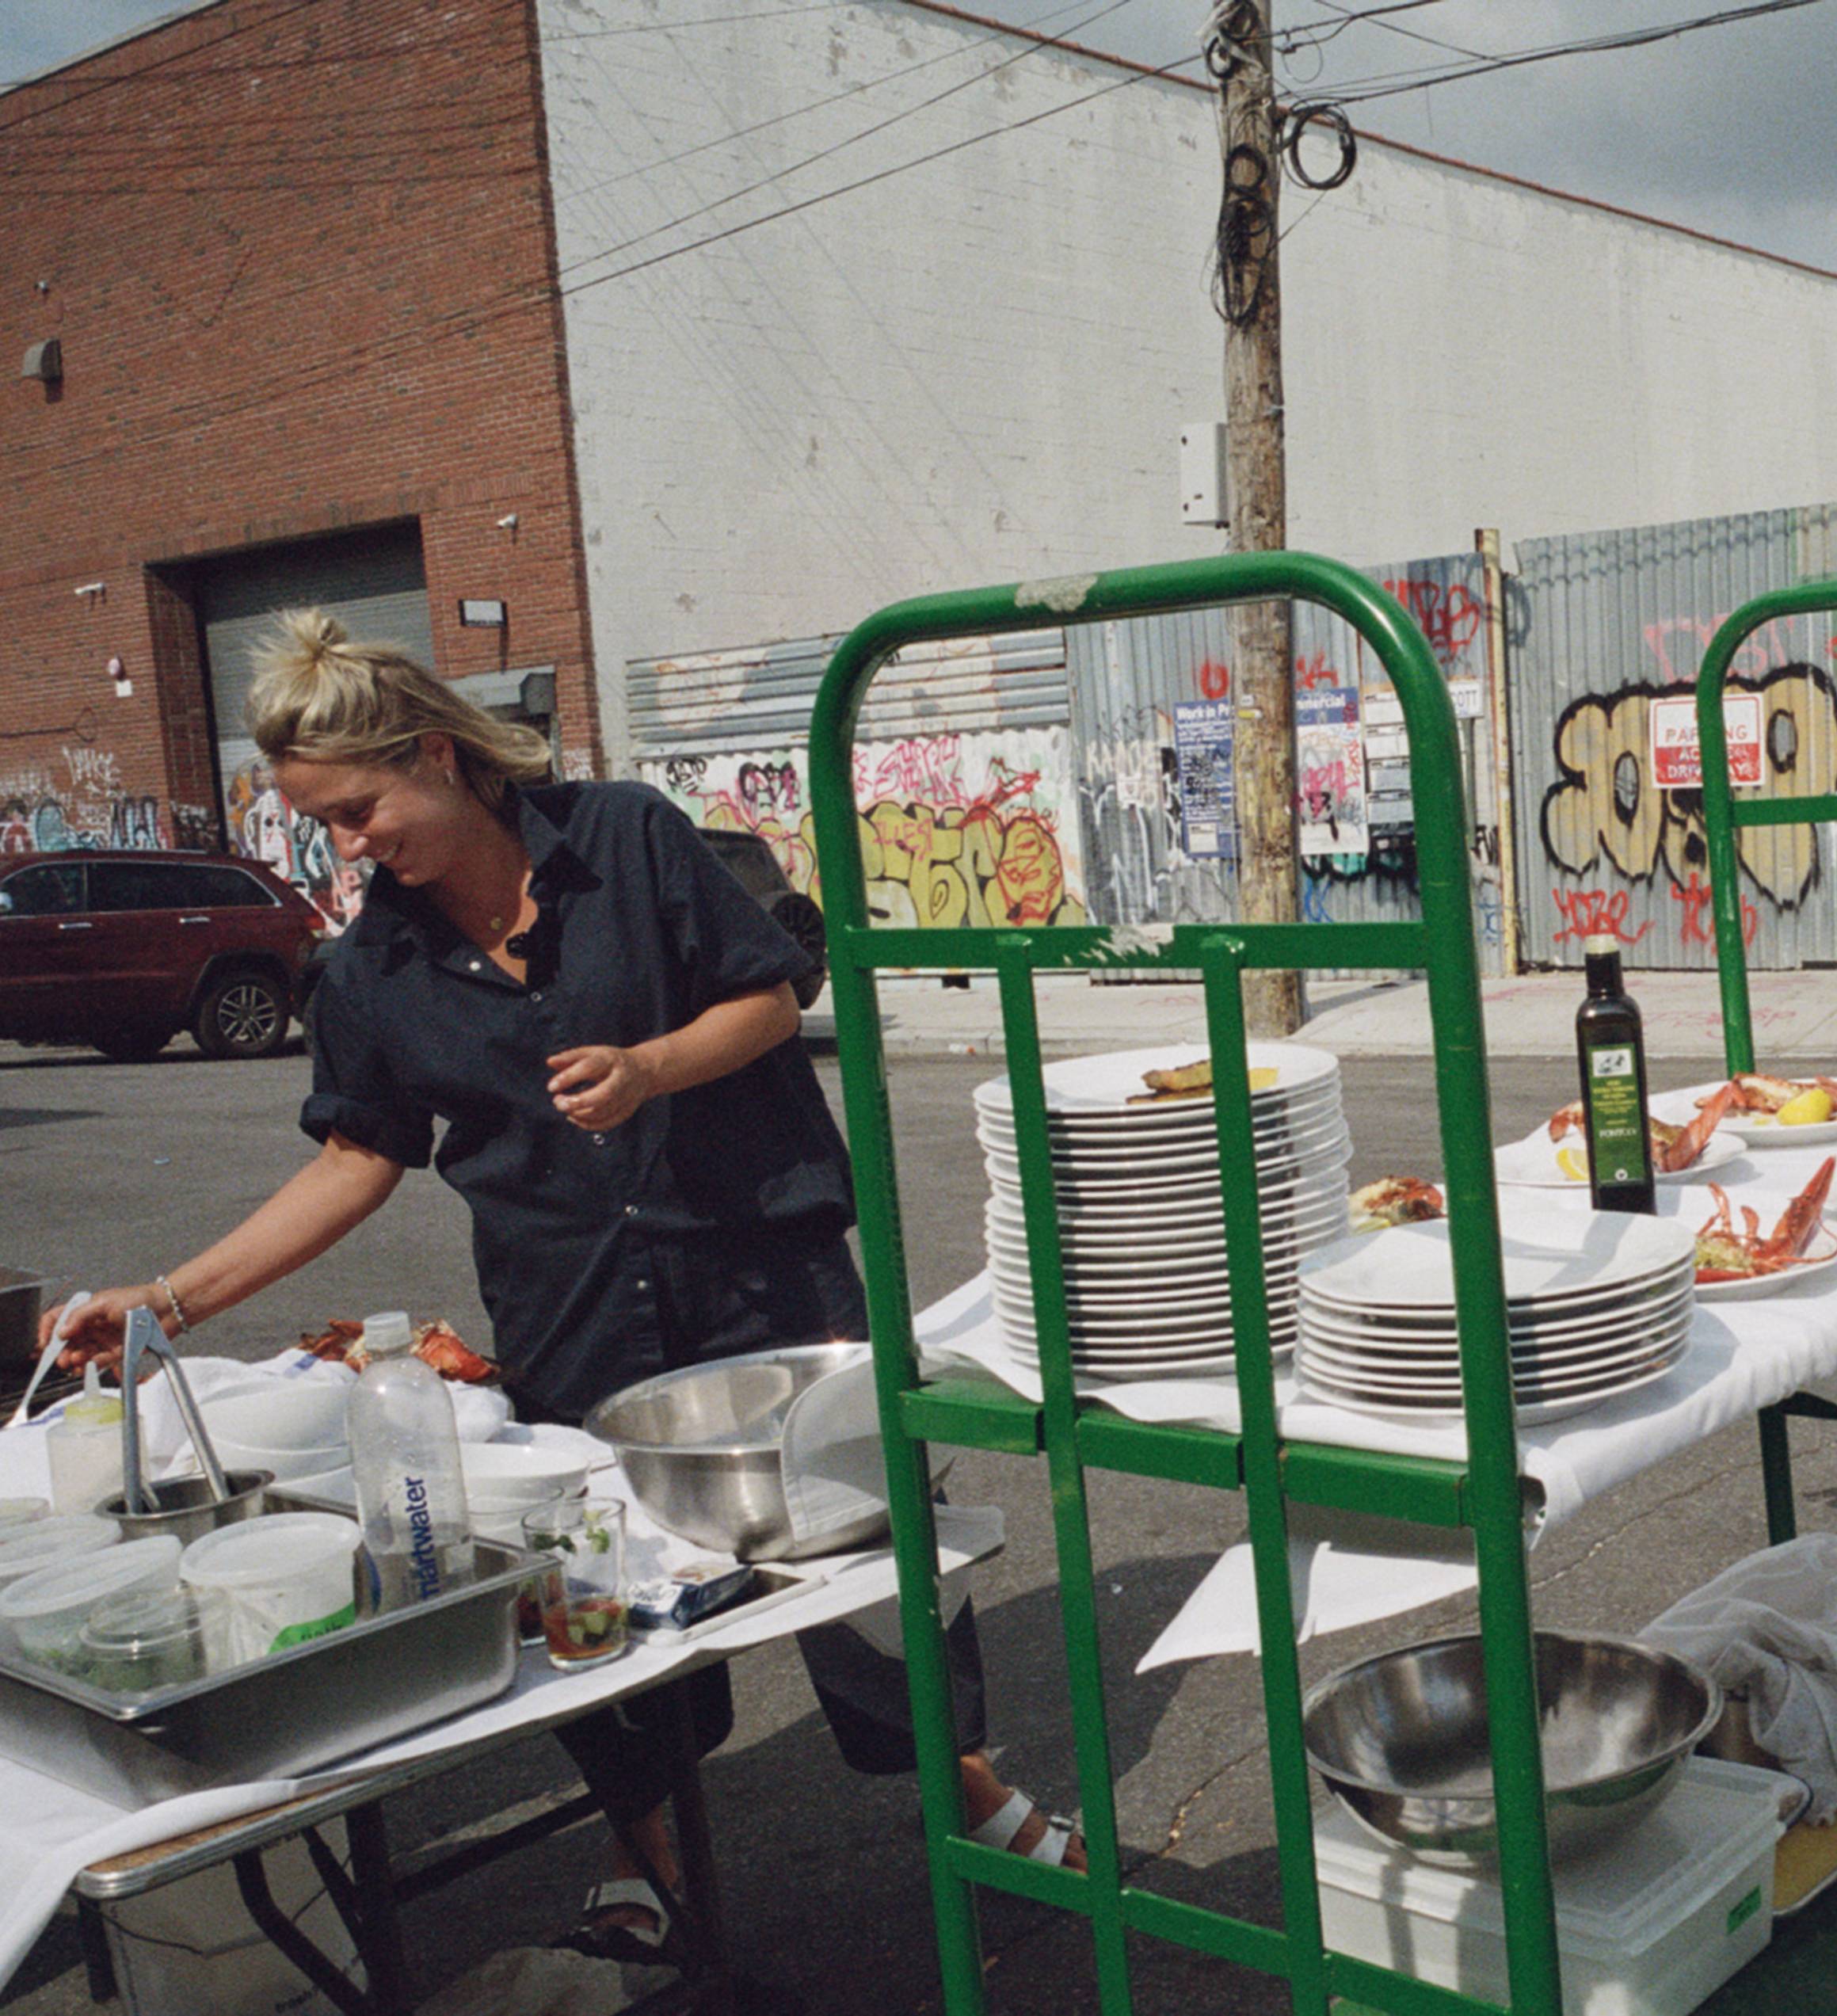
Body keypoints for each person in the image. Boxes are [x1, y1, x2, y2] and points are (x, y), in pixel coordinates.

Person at [57, 612, 1082, 1964]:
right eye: (324, 824)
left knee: (871, 1559)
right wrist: (166, 1301)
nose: (349, 846)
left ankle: (969, 1789)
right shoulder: (372, 968)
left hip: (767, 1275)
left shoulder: (630, 838)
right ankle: (644, 1842)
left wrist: (652, 1065)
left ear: (436, 756)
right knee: (606, 1601)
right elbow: (360, 1157)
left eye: (358, 809)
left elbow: (773, 1000)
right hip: (576, 1318)